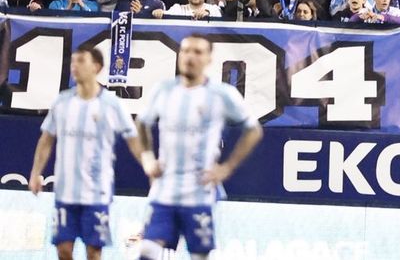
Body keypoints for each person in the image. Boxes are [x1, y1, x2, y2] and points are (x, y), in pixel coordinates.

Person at [135, 35, 264, 260]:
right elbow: (142, 123)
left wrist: (227, 168)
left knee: (199, 255)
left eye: (197, 52)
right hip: (165, 188)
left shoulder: (221, 94)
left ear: (209, 59)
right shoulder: (163, 90)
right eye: (186, 51)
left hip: (200, 192)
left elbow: (253, 130)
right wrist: (147, 158)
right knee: (146, 250)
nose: (190, 57)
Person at [29, 48, 148, 260]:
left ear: (97, 67)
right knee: (63, 250)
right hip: (65, 191)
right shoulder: (62, 102)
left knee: (94, 251)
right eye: (73, 61)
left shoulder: (112, 104)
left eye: (81, 61)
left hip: (97, 192)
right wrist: (35, 173)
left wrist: (149, 165)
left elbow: (133, 140)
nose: (74, 66)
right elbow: (46, 139)